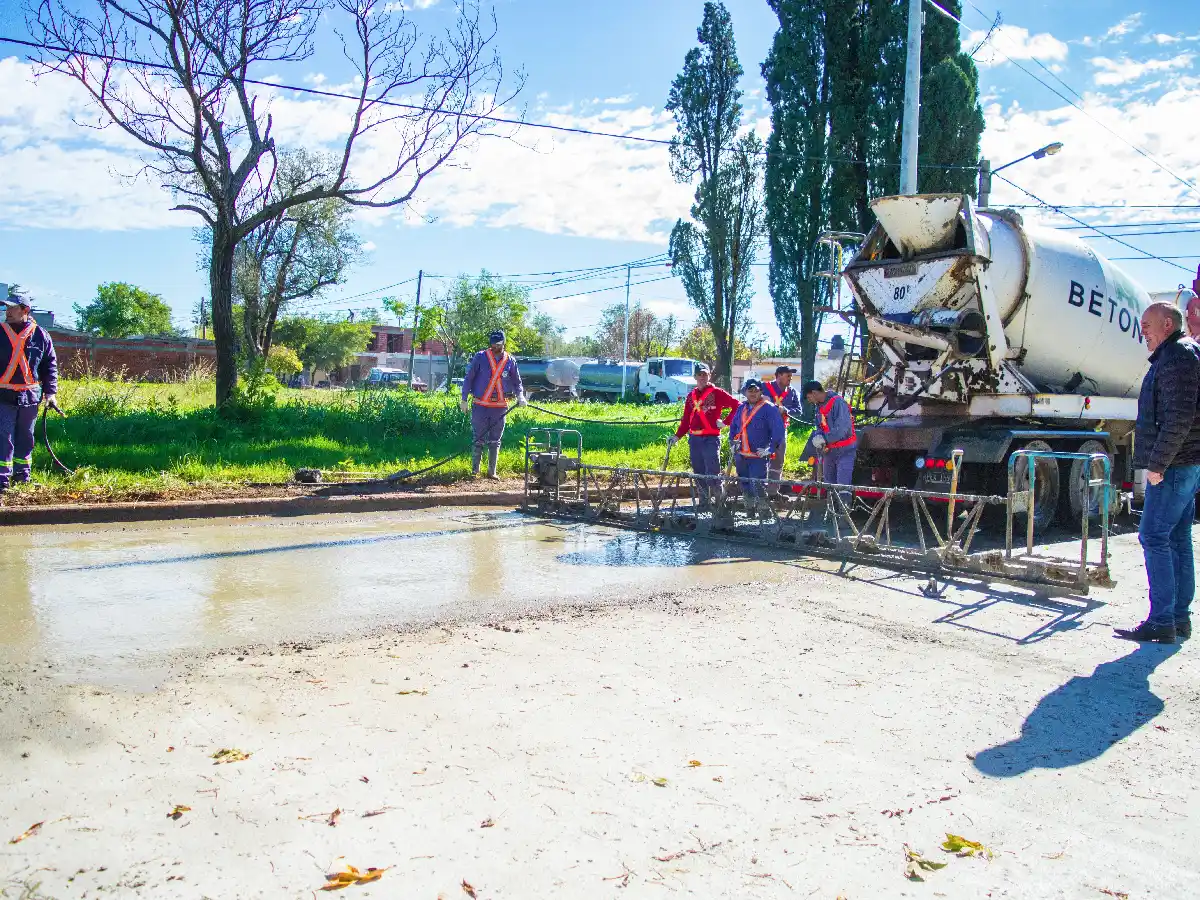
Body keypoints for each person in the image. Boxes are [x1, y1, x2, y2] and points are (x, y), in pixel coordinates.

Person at [1116, 301, 1200, 644]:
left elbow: (1179, 416)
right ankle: (1179, 618)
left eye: (1146, 326)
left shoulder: (1177, 356)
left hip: (1174, 466)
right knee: (1177, 538)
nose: (1143, 333)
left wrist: (1157, 464)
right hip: (1185, 464)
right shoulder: (1183, 353)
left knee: (1153, 537)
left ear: (1167, 324)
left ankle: (1162, 620)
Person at [1, 291, 58, 493]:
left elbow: (49, 366)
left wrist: (51, 394)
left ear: (25, 310)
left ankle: (22, 476)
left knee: (26, 437)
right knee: (4, 437)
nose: (7, 311)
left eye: (12, 308)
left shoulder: (41, 335)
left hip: (30, 397)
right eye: (6, 307)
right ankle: (2, 481)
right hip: (3, 396)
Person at [668, 363, 737, 509]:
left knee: (712, 471)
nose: (702, 377)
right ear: (695, 377)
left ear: (709, 376)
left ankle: (719, 503)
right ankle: (704, 502)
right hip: (694, 440)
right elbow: (686, 420)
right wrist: (677, 436)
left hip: (711, 439)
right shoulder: (690, 397)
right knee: (698, 472)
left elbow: (737, 405)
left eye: (705, 374)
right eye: (699, 375)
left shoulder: (717, 393)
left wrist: (725, 422)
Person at [460, 330, 525, 480]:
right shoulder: (480, 357)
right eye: (492, 343)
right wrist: (463, 399)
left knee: (495, 440)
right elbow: (469, 378)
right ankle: (474, 471)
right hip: (480, 406)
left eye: (498, 344)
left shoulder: (510, 361)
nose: (495, 346)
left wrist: (520, 396)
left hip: (500, 407)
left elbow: (517, 382)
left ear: (504, 343)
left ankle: (492, 472)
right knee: (478, 439)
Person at [729, 380, 785, 511]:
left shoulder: (769, 409)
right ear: (745, 392)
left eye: (756, 391)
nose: (753, 393)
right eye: (750, 391)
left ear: (761, 392)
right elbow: (733, 429)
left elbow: (778, 431)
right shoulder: (741, 408)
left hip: (758, 456)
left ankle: (764, 513)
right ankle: (750, 511)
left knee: (758, 484)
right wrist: (732, 443)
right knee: (745, 484)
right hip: (741, 456)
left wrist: (770, 449)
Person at [801, 380, 857, 488]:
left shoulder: (838, 403)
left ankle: (843, 504)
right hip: (829, 452)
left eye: (809, 398)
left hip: (845, 450)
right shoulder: (819, 407)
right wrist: (818, 435)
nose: (809, 401)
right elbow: (819, 426)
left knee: (843, 486)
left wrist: (825, 439)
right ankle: (831, 505)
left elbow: (841, 429)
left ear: (814, 393)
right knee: (829, 486)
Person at [763, 365, 803, 493]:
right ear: (778, 375)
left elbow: (799, 411)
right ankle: (758, 490)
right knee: (760, 458)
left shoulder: (792, 392)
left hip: (780, 431)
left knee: (778, 461)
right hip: (762, 430)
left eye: (791, 376)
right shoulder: (764, 387)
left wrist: (785, 410)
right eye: (787, 375)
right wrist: (762, 399)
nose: (790, 378)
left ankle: (773, 491)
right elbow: (745, 390)